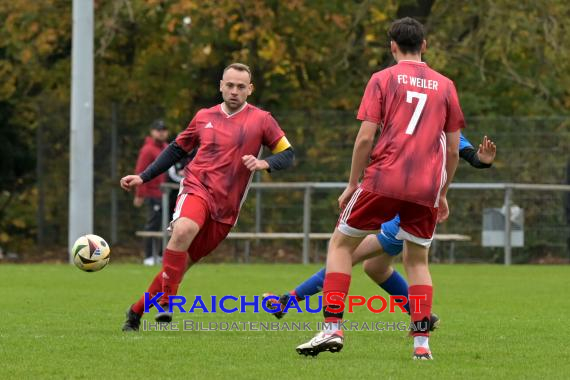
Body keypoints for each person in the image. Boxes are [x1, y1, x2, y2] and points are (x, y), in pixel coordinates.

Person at [296, 17, 465, 360]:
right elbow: (452, 147)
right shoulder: (446, 85)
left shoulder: (382, 79)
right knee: (417, 262)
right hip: (426, 186)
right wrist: (443, 191)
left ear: (392, 46)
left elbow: (365, 138)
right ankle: (421, 345)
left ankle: (332, 328)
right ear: (425, 45)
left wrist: (352, 183)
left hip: (384, 178)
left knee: (341, 245)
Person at [119, 63, 295, 331]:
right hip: (197, 187)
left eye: (240, 86)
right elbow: (177, 150)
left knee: (180, 267)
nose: (234, 91)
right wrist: (143, 177)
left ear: (250, 89)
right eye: (230, 85)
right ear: (221, 85)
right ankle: (167, 301)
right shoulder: (203, 116)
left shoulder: (262, 120)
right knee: (183, 229)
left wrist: (264, 164)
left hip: (226, 209)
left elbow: (288, 154)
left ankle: (135, 312)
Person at [263, 134, 496, 325]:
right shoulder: (408, 119)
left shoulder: (440, 123)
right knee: (375, 267)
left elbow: (464, 152)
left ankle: (287, 301)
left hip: (406, 214)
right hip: (398, 208)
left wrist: (481, 159)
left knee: (345, 256)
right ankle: (423, 316)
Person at [133, 120, 169, 266]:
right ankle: (149, 256)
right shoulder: (148, 149)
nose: (161, 132)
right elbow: (140, 171)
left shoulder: (167, 148)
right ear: (152, 132)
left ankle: (160, 254)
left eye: (164, 130)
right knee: (153, 224)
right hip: (153, 194)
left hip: (167, 194)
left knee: (166, 225)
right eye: (158, 130)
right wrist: (140, 194)